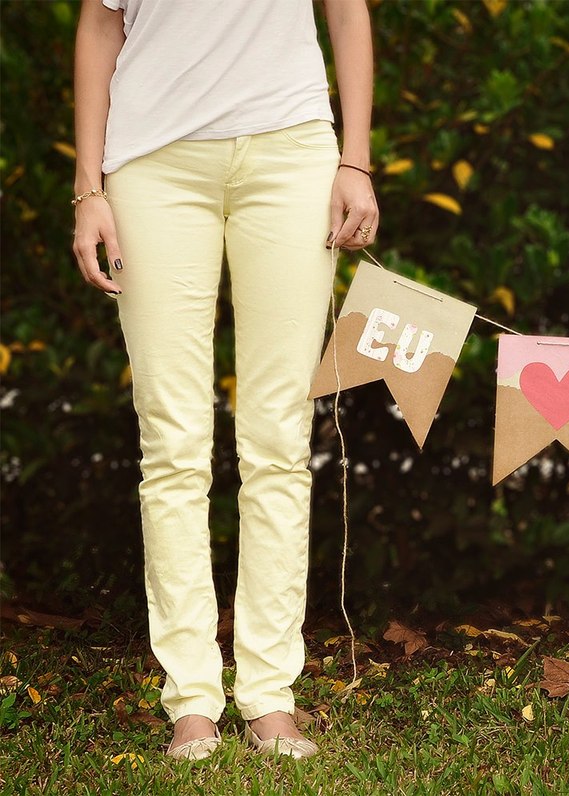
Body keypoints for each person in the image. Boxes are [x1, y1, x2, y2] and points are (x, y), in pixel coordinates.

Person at [72, 0, 377, 759]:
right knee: (172, 442)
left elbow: (348, 12)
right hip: (151, 165)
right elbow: (99, 24)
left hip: (292, 154)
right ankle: (192, 703)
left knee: (278, 435)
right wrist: (88, 189)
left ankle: (271, 696)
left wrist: (356, 161)